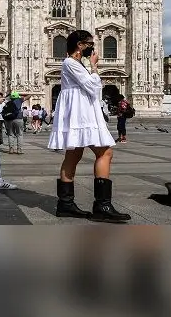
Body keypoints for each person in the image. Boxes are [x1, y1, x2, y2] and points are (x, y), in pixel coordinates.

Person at [48, 29, 130, 223]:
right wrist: (94, 67)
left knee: (74, 155)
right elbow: (93, 87)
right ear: (80, 45)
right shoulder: (70, 63)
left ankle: (65, 205)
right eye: (90, 44)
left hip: (81, 112)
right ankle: (102, 206)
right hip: (81, 114)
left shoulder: (73, 64)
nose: (92, 48)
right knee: (105, 152)